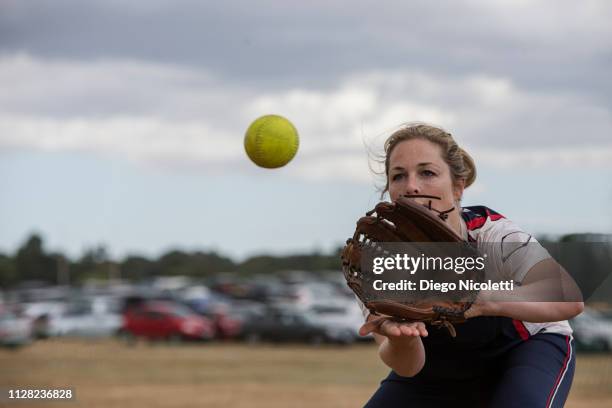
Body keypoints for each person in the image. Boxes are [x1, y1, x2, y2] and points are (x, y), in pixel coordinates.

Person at [358, 123, 584, 408]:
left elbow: (568, 297)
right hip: (438, 371)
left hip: (524, 350)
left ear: (458, 187)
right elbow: (408, 367)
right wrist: (402, 340)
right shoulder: (382, 259)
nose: (411, 185)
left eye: (427, 173)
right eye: (398, 176)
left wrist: (479, 298)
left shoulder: (490, 233)